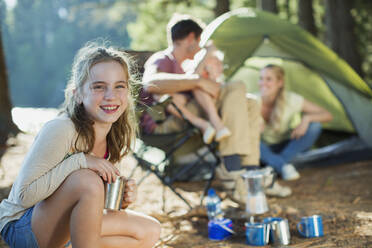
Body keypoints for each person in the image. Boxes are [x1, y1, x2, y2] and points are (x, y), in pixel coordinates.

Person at [0, 42, 161, 248]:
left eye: (119, 86)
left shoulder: (113, 133)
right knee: (86, 179)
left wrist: (121, 199)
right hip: (24, 227)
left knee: (149, 231)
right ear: (78, 94)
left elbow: (85, 203)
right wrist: (81, 161)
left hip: (63, 228)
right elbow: (24, 197)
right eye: (99, 87)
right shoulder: (61, 128)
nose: (111, 95)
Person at [141, 14, 290, 203]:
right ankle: (233, 171)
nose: (201, 46)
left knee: (251, 102)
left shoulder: (184, 66)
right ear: (190, 39)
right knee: (235, 87)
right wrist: (198, 80)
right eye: (200, 41)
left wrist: (200, 79)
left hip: (187, 117)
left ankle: (251, 174)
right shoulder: (162, 58)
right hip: (166, 122)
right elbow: (151, 83)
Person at [258, 64, 333, 181]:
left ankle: (273, 165)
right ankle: (283, 166)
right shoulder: (252, 101)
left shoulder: (292, 99)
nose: (263, 83)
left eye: (268, 79)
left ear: (280, 83)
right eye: (261, 78)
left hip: (287, 146)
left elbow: (327, 115)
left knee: (315, 126)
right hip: (264, 149)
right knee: (251, 142)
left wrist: (306, 119)